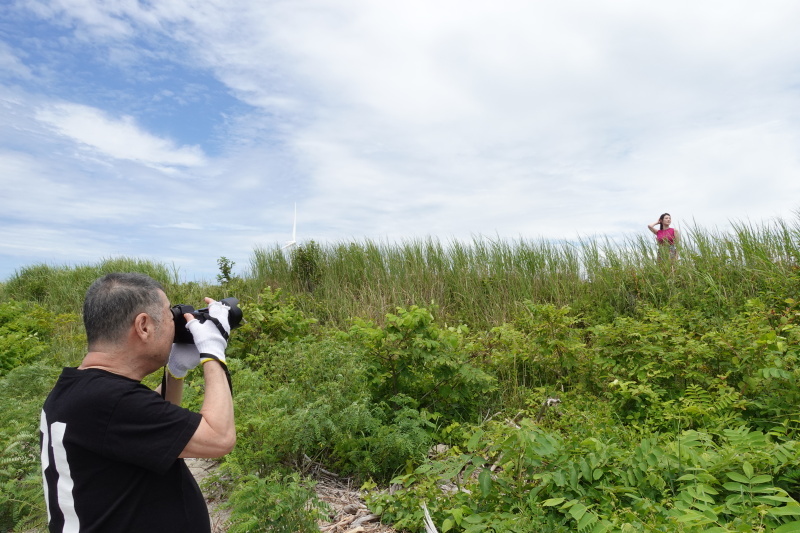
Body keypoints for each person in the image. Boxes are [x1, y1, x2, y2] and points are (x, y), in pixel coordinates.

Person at [39, 272, 235, 532]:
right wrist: (212, 350)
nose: (174, 325)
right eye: (169, 315)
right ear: (143, 326)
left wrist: (175, 370)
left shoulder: (79, 389)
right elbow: (219, 437)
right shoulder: (110, 401)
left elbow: (151, 421)